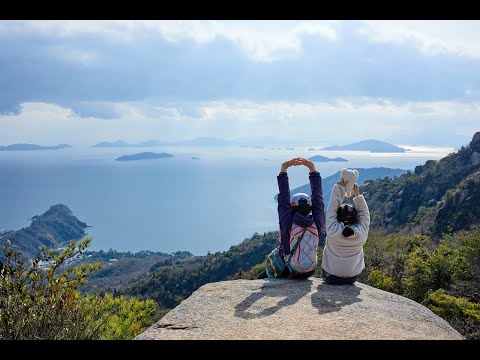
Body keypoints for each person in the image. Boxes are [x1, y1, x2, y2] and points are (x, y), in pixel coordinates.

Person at [258, 157, 325, 279]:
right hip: (310, 270)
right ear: (310, 206)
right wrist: (312, 169)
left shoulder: (288, 222)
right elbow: (318, 197)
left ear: (292, 208)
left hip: (291, 270)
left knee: (269, 265)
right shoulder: (317, 222)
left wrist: (284, 168)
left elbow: (283, 197)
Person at [321, 177, 370, 285]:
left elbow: (331, 209)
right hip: (352, 278)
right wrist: (357, 194)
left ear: (338, 217)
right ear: (355, 218)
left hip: (331, 277)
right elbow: (365, 214)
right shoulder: (361, 233)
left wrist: (339, 188)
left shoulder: (333, 230)